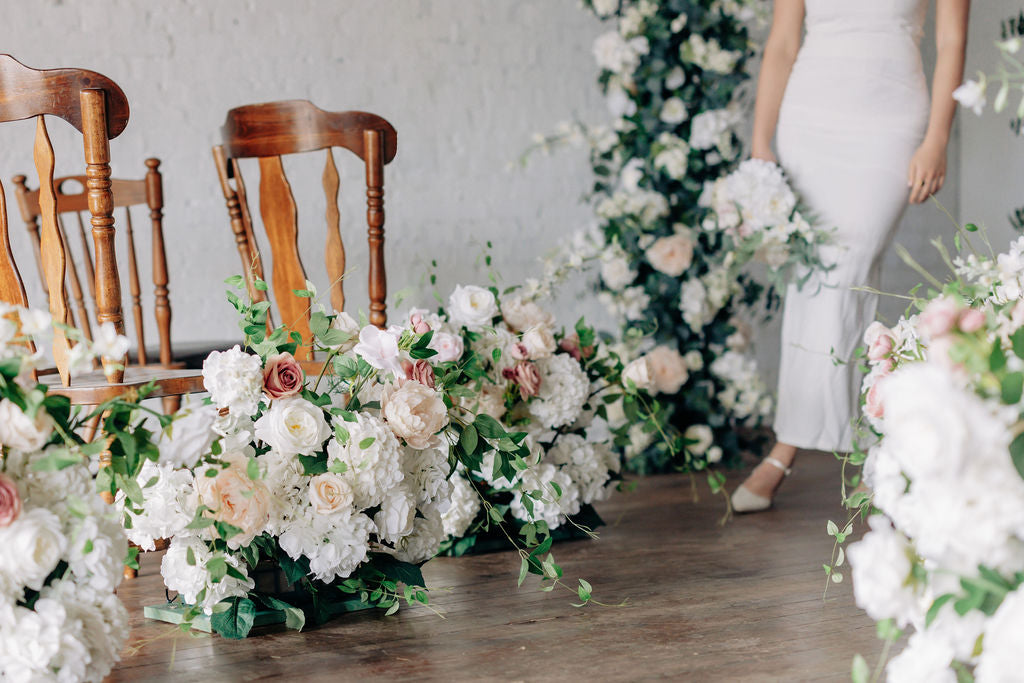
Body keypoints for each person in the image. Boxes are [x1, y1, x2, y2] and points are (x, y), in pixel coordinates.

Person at [731, 0, 970, 513]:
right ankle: (870, 453)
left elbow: (951, 41)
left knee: (846, 272)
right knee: (817, 280)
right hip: (809, 124)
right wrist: (759, 141)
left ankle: (784, 450)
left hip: (891, 126)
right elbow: (783, 42)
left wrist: (938, 137)